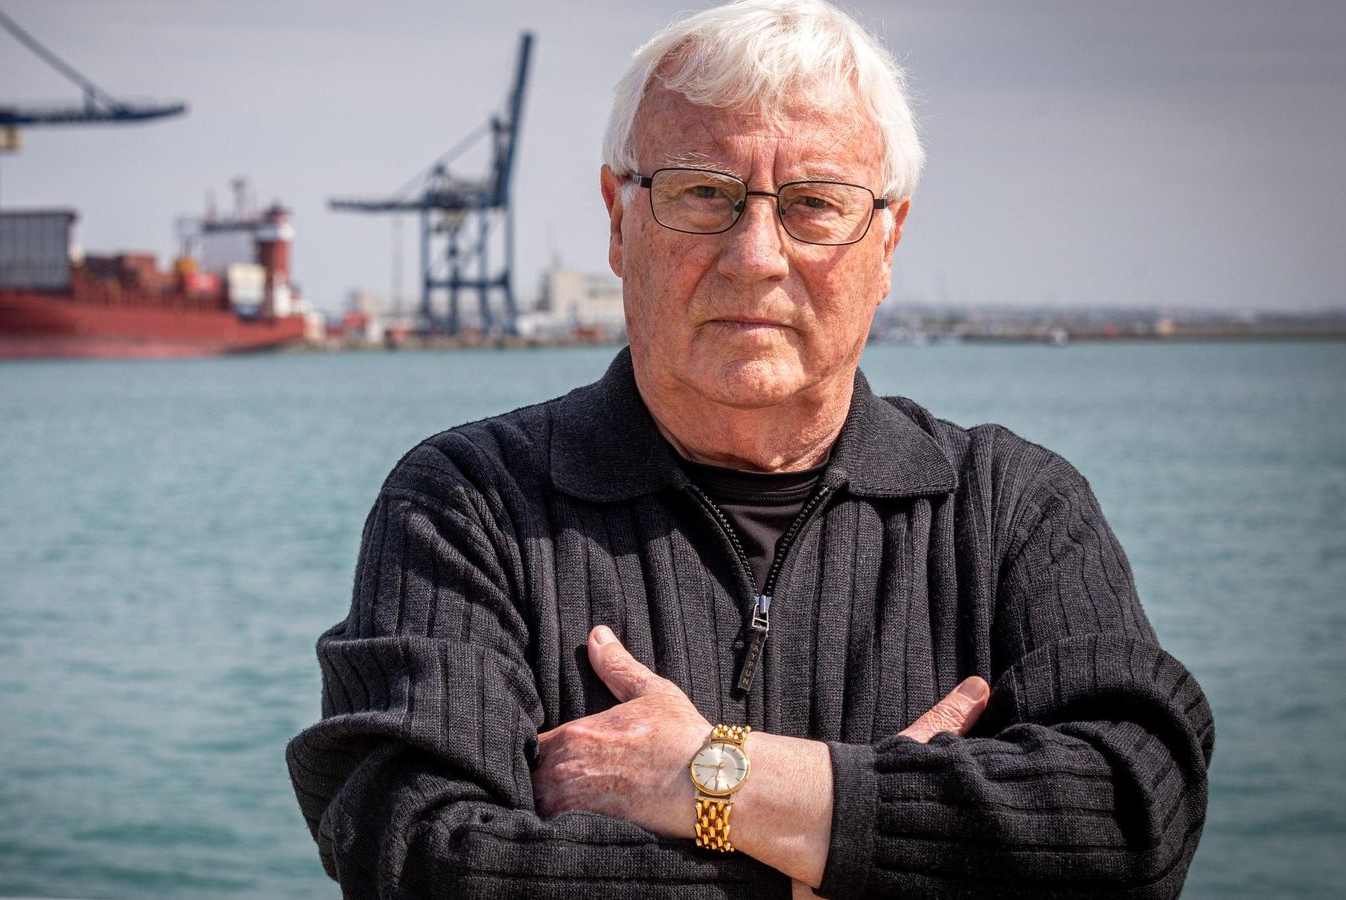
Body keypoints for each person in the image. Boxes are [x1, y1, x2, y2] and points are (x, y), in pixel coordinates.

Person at [286, 0, 1214, 896]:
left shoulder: (1012, 508)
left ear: (888, 238)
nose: (756, 255)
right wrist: (841, 868)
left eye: (814, 203)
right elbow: (419, 858)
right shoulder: (467, 505)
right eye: (703, 194)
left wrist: (707, 775)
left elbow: (1133, 824)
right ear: (618, 218)